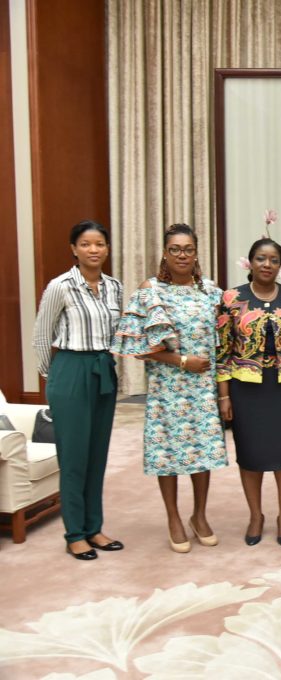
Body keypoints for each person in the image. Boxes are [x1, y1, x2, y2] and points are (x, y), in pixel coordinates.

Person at [112, 223, 227, 553]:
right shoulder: (151, 290)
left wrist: (223, 393)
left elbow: (222, 345)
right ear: (164, 252)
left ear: (196, 252)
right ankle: (174, 517)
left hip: (203, 387)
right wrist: (182, 360)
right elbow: (140, 347)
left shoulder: (210, 291)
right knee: (168, 454)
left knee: (202, 451)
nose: (182, 255)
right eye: (175, 249)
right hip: (168, 388)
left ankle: (200, 516)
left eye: (188, 249)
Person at [32, 220, 124, 560]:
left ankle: (94, 528)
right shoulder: (61, 286)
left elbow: (120, 332)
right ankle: (74, 533)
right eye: (86, 244)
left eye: (99, 243)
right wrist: (52, 376)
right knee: (73, 457)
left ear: (107, 248)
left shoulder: (115, 287)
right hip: (70, 369)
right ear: (74, 249)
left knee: (97, 455)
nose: (94, 250)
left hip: (104, 371)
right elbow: (42, 334)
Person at [216, 238, 281, 546]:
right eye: (260, 258)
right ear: (250, 263)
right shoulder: (231, 298)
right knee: (250, 456)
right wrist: (224, 395)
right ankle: (255, 515)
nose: (267, 265)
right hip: (246, 388)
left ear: (280, 265)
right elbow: (223, 350)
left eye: (273, 260)